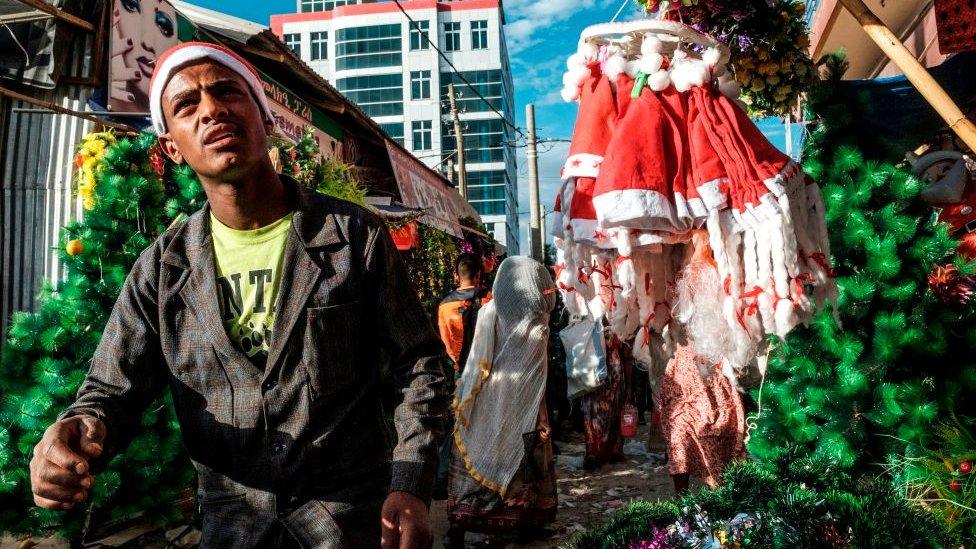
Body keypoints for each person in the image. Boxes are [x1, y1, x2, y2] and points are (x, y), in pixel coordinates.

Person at [28, 42, 449, 548]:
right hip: (234, 529)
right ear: (172, 149)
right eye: (187, 105)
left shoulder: (352, 235)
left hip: (349, 521)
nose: (211, 109)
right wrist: (77, 430)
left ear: (265, 118)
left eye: (228, 92)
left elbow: (418, 364)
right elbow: (111, 390)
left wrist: (410, 485)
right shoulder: (163, 270)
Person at [446, 257, 558, 546]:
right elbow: (536, 379)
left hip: (488, 399)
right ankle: (518, 521)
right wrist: (543, 416)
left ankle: (464, 522)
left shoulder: (489, 312)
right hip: (519, 407)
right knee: (520, 460)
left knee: (485, 454)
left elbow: (479, 362)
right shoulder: (536, 324)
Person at [433, 253, 491, 500]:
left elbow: (445, 343)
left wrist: (457, 365)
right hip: (487, 371)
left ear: (457, 275)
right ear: (478, 275)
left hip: (459, 372)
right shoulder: (488, 300)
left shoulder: (444, 306)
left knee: (458, 426)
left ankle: (443, 476)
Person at [581, 336, 629, 470]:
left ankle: (610, 450)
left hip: (612, 366)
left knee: (613, 406)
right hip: (593, 362)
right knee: (592, 406)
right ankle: (593, 452)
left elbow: (626, 342)